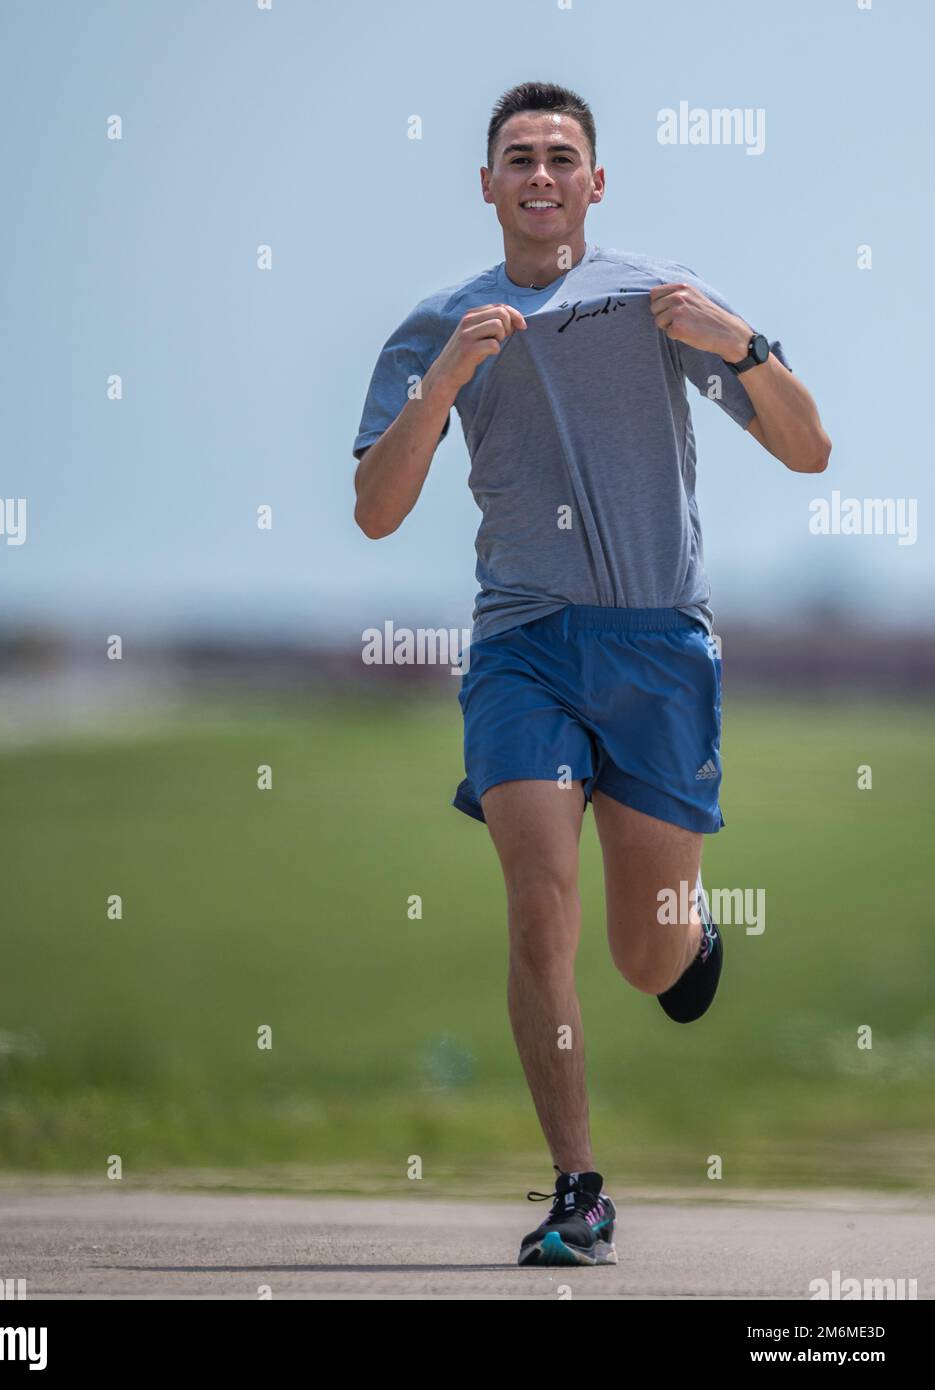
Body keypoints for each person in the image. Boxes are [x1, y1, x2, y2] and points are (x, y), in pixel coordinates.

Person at [350, 81, 831, 1268]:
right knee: (537, 901)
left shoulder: (655, 300)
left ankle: (690, 933)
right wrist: (443, 385)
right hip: (521, 646)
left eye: (562, 156)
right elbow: (373, 510)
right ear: (487, 185)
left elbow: (810, 447)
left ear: (594, 183)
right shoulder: (438, 326)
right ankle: (579, 1190)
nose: (540, 175)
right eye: (518, 156)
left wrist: (744, 345)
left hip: (658, 645)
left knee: (645, 956)